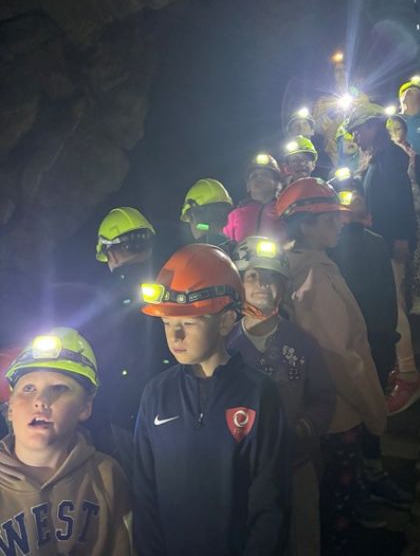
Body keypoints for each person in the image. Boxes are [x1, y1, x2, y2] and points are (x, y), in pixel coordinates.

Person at [134, 243, 290, 556]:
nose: (175, 336)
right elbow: (144, 494)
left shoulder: (258, 394)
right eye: (167, 323)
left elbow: (270, 501)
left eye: (189, 323)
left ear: (225, 322)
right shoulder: (156, 394)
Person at [275, 178, 387, 554]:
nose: (340, 223)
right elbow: (340, 356)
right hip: (339, 413)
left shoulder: (292, 268)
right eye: (330, 219)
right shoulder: (315, 277)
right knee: (337, 505)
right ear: (305, 226)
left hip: (315, 408)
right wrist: (374, 408)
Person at [228, 236, 336, 556]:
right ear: (238, 284)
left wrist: (303, 428)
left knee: (301, 542)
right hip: (240, 475)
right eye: (253, 276)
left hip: (296, 468)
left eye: (272, 277)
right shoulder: (225, 347)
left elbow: (324, 396)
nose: (263, 284)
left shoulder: (301, 343)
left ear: (284, 286)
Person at [1, 327, 133, 554]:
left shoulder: (106, 476)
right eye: (28, 388)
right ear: (10, 408)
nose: (40, 400)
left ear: (85, 407)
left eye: (59, 388)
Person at [329, 183, 413, 510]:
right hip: (346, 344)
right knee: (351, 412)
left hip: (375, 340)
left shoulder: (375, 243)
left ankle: (372, 472)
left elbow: (388, 295)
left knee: (371, 405)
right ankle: (359, 479)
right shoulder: (327, 250)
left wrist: (388, 339)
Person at [347, 103, 420, 415]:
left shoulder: (390, 157)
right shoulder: (378, 159)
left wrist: (402, 238)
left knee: (395, 308)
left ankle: (409, 375)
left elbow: (400, 198)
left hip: (391, 242)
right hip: (382, 243)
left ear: (373, 126)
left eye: (358, 130)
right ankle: (402, 367)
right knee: (393, 304)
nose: (355, 136)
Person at [93, 206, 173, 477]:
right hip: (175, 403)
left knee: (133, 482)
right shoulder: (173, 279)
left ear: (111, 252)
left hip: (124, 409)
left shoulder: (104, 295)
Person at [387, 115, 420, 315]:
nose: (394, 133)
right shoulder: (375, 160)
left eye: (398, 129)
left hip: (414, 212)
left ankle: (419, 297)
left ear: (405, 132)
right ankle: (398, 302)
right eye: (390, 130)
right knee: (394, 260)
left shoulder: (415, 158)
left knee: (417, 257)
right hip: (390, 216)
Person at [224, 153, 286, 243]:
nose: (259, 178)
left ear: (277, 184)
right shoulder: (235, 215)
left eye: (265, 174)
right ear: (248, 186)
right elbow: (225, 244)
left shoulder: (285, 212)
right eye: (254, 176)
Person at [180, 178, 236, 254]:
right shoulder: (240, 249)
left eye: (190, 220)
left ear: (193, 215)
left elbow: (200, 227)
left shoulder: (193, 256)